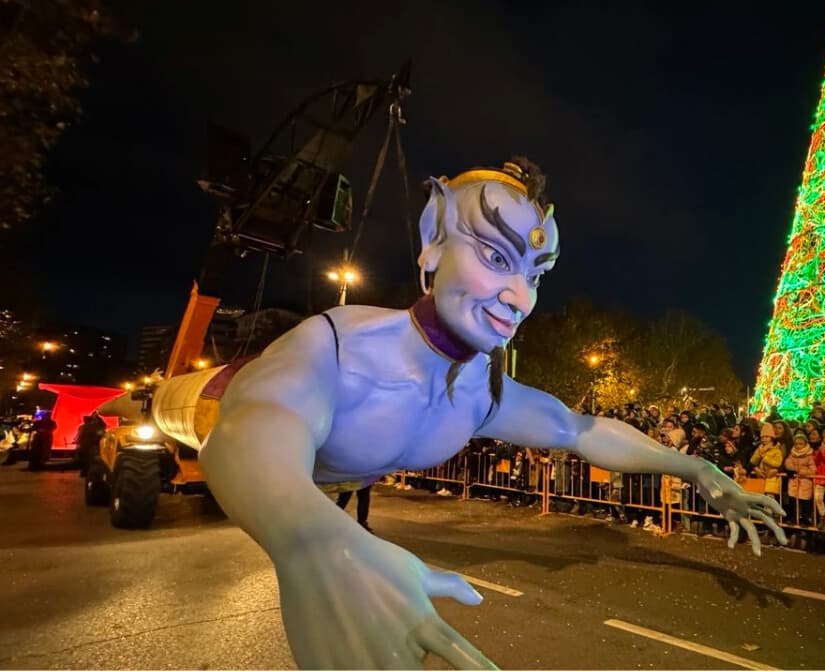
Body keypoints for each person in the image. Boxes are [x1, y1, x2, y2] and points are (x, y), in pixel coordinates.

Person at [119, 158, 786, 669]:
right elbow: (245, 430)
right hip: (207, 402)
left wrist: (692, 465)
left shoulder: (481, 392)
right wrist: (313, 542)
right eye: (496, 256)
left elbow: (580, 429)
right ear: (432, 237)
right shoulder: (338, 344)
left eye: (537, 273)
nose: (519, 296)